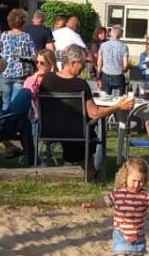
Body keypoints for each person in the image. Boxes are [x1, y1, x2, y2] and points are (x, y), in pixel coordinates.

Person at [40, 49, 124, 178]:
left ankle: (76, 164)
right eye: (83, 64)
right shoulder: (80, 84)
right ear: (73, 63)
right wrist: (117, 106)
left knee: (76, 125)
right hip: (76, 131)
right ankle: (86, 168)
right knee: (88, 128)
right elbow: (94, 113)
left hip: (49, 129)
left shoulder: (47, 80)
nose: (84, 68)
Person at [95, 156, 149, 256]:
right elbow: (105, 201)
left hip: (138, 233)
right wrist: (92, 204)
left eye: (141, 181)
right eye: (134, 181)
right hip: (121, 232)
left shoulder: (145, 195)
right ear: (125, 178)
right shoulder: (118, 193)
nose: (137, 184)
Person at [0, 10, 37, 111]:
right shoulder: (26, 37)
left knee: (5, 102)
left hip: (5, 71)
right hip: (20, 73)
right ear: (23, 22)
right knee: (15, 103)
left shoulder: (4, 35)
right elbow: (34, 55)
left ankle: (5, 119)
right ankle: (12, 120)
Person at [97, 26, 130, 96]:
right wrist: (125, 69)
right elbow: (125, 65)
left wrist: (98, 77)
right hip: (118, 76)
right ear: (120, 35)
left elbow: (99, 63)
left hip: (106, 75)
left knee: (104, 99)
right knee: (119, 100)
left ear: (110, 34)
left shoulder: (103, 45)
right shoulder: (124, 47)